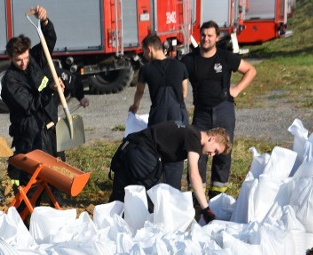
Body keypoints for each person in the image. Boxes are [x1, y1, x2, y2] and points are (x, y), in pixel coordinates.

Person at [1, 5, 88, 187]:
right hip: (30, 131)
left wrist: (45, 22)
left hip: (50, 123)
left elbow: (49, 41)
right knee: (35, 174)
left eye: (25, 57)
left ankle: (55, 204)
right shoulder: (10, 81)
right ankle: (31, 209)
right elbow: (30, 106)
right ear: (10, 58)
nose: (24, 63)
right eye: (19, 60)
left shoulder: (34, 59)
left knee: (57, 168)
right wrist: (51, 89)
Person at [181, 21, 256, 199]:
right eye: (203, 35)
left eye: (210, 36)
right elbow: (175, 73)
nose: (206, 39)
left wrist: (236, 90)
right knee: (198, 153)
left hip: (224, 110)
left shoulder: (225, 57)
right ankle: (197, 198)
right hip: (201, 112)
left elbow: (250, 71)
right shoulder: (190, 60)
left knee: (223, 152)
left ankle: (218, 196)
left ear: (217, 37)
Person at [108, 121, 231, 223]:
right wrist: (206, 209)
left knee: (118, 197)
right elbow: (194, 175)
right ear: (212, 138)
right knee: (156, 200)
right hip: (142, 152)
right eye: (215, 150)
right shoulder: (194, 138)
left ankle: (108, 226)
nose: (212, 155)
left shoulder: (189, 131)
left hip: (129, 149)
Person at [129, 33, 190, 189]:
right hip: (178, 114)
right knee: (177, 151)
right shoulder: (180, 66)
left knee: (156, 150)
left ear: (150, 49)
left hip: (158, 116)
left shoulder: (146, 70)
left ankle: (157, 186)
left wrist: (135, 106)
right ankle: (174, 187)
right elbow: (184, 92)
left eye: (143, 51)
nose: (143, 55)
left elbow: (140, 91)